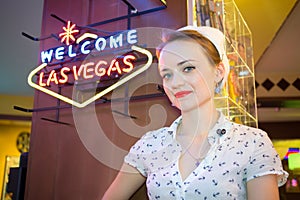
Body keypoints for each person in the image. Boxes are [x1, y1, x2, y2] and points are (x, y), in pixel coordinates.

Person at [102, 26, 288, 199]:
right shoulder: (150, 145)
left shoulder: (252, 143)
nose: (175, 83)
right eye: (167, 74)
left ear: (218, 72)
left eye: (188, 68)